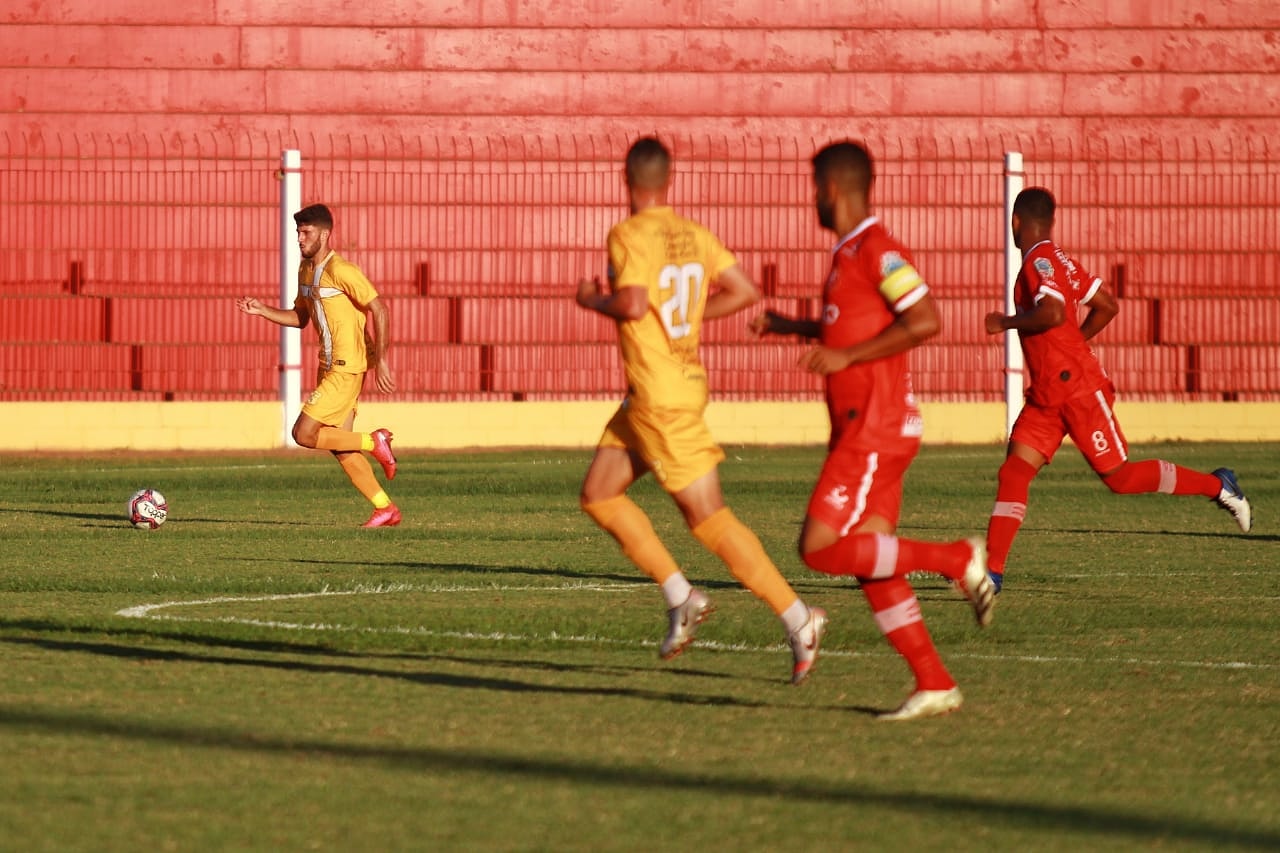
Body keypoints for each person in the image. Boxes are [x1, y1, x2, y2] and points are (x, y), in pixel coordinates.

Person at [750, 141, 994, 721]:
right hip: (868, 427)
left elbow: (926, 319)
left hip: (874, 427)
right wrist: (796, 327)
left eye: (814, 188)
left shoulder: (877, 250)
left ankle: (956, 557)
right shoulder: (849, 254)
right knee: (870, 561)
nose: (812, 199)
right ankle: (933, 681)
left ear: (830, 189)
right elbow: (853, 325)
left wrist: (846, 357)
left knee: (818, 548)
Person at [576, 136, 828, 685]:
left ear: (627, 179)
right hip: (655, 393)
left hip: (662, 398)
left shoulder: (627, 234)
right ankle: (680, 596)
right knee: (598, 493)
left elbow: (634, 303)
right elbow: (744, 290)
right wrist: (688, 318)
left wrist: (590, 299)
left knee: (707, 517)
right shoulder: (693, 234)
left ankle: (798, 617)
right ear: (669, 180)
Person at [983, 187, 1252, 590]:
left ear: (1015, 222)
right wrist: (1075, 343)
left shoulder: (1038, 261)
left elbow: (1053, 311)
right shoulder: (1063, 262)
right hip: (1047, 395)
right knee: (1014, 471)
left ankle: (1218, 485)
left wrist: (1006, 323)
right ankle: (991, 574)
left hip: (1076, 392)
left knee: (1120, 478)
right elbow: (1107, 305)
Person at [236, 203, 401, 528]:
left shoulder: (342, 270)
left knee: (304, 433)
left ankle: (375, 441)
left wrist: (380, 360)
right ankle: (385, 509)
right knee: (339, 444)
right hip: (327, 366)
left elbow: (379, 309)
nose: (299, 238)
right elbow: (300, 318)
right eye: (297, 232)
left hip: (347, 367)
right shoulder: (306, 271)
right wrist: (262, 310)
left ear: (324, 234)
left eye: (306, 232)